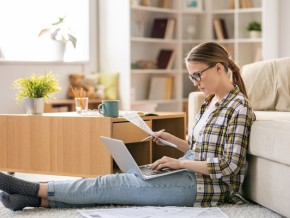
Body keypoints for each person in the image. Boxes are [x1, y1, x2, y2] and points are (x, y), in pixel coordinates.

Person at [0, 41, 255, 211]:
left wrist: (179, 163)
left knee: (112, 187)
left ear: (219, 68)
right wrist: (173, 141)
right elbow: (199, 149)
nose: (195, 82)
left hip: (205, 187)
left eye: (198, 75)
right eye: (191, 76)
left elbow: (228, 165)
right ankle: (37, 200)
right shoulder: (207, 103)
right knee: (116, 182)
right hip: (188, 175)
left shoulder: (239, 107)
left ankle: (32, 189)